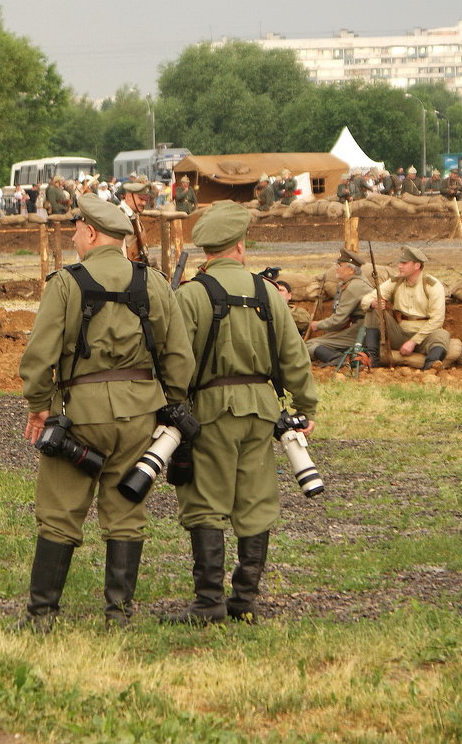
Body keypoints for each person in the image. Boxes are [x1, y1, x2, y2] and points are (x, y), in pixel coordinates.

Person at [17, 193, 195, 630]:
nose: (75, 235)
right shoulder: (151, 282)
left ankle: (42, 615)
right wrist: (167, 407)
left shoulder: (65, 283)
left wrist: (39, 408)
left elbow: (40, 357)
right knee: (126, 510)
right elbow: (178, 356)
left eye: (77, 229)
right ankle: (119, 615)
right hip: (139, 415)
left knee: (60, 511)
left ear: (92, 233)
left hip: (79, 415)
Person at [167, 201, 318, 624]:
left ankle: (209, 602)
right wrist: (305, 406)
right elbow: (294, 356)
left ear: (207, 250)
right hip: (263, 412)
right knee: (255, 499)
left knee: (206, 501)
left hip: (210, 411)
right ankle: (245, 600)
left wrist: (173, 409)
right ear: (240, 245)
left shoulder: (192, 295)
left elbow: (176, 361)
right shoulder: (268, 293)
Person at [361, 246, 451, 369]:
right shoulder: (395, 282)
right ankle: (372, 359)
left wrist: (413, 342)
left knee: (442, 335)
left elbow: (437, 319)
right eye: (399, 263)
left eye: (404, 263)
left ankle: (431, 365)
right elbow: (366, 299)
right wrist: (373, 303)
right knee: (373, 311)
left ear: (417, 265)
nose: (399, 266)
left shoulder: (432, 285)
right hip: (400, 333)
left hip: (424, 335)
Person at [307, 250, 372, 365]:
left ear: (351, 270)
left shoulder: (354, 287)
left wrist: (318, 325)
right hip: (358, 329)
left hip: (360, 332)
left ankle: (336, 358)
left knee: (310, 345)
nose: (336, 268)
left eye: (340, 265)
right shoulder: (356, 283)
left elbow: (338, 320)